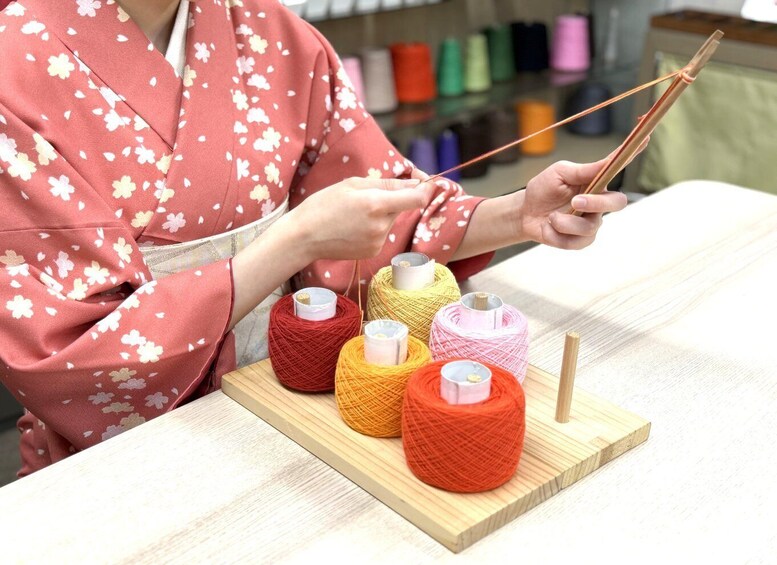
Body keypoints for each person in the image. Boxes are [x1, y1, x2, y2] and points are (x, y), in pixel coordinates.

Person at [0, 0, 628, 477]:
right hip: (135, 431)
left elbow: (379, 203)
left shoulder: (268, 28)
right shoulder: (16, 60)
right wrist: (292, 242)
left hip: (293, 386)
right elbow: (59, 344)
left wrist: (516, 215)